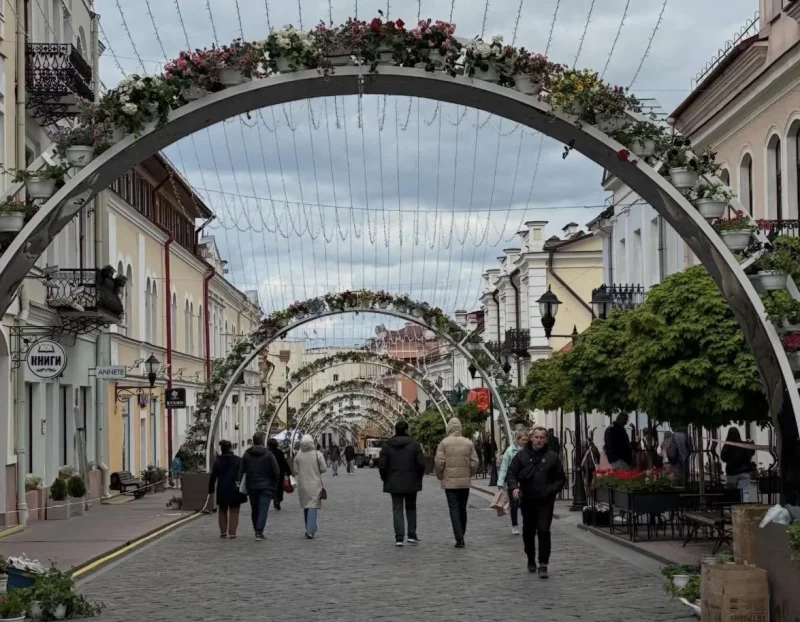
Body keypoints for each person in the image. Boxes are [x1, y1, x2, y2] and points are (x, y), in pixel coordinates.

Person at [506, 427, 566, 579]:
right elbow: (511, 474)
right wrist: (514, 488)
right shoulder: (521, 456)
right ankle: (531, 558)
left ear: (546, 439)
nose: (539, 440)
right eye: (536, 437)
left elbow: (560, 479)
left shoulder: (552, 457)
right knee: (528, 531)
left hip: (545, 501)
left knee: (544, 530)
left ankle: (543, 563)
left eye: (542, 437)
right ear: (531, 438)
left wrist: (550, 490)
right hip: (527, 500)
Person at [378, 420, 426, 546]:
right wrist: (418, 477)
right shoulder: (414, 444)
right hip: (411, 480)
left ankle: (399, 537)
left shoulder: (387, 445)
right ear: (407, 430)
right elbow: (421, 464)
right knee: (411, 507)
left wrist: (385, 478)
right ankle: (411, 534)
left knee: (397, 509)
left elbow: (382, 465)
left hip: (393, 481)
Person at [434, 418, 479, 548]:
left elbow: (439, 462)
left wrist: (440, 475)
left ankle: (459, 537)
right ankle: (462, 532)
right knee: (462, 507)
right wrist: (469, 473)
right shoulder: (468, 443)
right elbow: (475, 462)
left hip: (450, 481)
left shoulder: (444, 443)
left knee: (453, 508)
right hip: (464, 482)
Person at [237, 431, 280, 541]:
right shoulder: (269, 455)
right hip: (266, 486)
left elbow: (241, 471)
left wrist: (239, 483)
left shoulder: (246, 455)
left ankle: (256, 528)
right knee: (263, 509)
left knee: (255, 509)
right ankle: (259, 531)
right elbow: (276, 471)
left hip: (252, 486)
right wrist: (274, 484)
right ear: (262, 441)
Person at [293, 435, 327, 539]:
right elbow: (324, 468)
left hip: (303, 484)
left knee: (307, 506)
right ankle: (310, 530)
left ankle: (309, 527)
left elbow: (295, 470)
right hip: (315, 483)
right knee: (313, 506)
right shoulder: (318, 454)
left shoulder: (298, 456)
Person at [208, 440, 244, 538]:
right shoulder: (238, 460)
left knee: (222, 510)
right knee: (234, 511)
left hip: (222, 488)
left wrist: (210, 488)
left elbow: (213, 476)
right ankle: (232, 532)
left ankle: (223, 531)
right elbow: (241, 475)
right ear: (231, 448)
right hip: (234, 489)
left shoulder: (217, 461)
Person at [498, 430, 528, 535]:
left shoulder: (530, 451)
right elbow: (504, 467)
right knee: (514, 504)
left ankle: (527, 524)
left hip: (526, 481)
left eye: (526, 440)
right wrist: (500, 482)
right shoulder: (510, 451)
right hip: (513, 480)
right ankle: (515, 525)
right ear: (518, 440)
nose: (524, 442)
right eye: (522, 440)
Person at [720, 427, 755, 502]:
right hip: (744, 472)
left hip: (732, 472)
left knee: (732, 492)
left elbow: (723, 458)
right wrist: (751, 443)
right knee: (745, 491)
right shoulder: (743, 445)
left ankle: (734, 508)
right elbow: (752, 452)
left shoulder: (727, 445)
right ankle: (745, 509)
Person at [267, 438, 291, 510]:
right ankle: (278, 501)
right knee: (280, 488)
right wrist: (289, 472)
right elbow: (284, 463)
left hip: (270, 474)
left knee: (272, 487)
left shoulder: (267, 452)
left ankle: (274, 498)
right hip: (280, 473)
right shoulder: (279, 452)